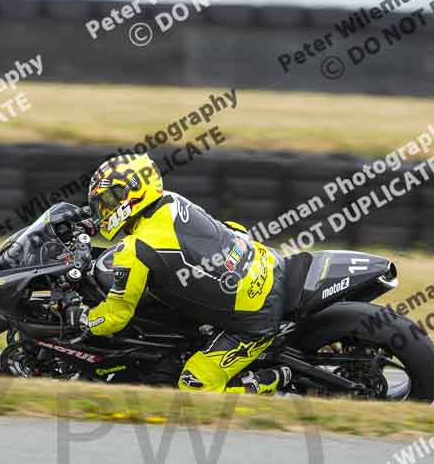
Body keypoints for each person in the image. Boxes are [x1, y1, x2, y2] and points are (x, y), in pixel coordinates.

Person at [71, 153, 292, 395]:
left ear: (134, 192)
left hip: (256, 315)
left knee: (194, 386)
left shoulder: (136, 249)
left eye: (110, 199)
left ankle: (268, 381)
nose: (105, 208)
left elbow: (115, 317)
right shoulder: (171, 202)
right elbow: (227, 229)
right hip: (266, 261)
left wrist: (81, 319)